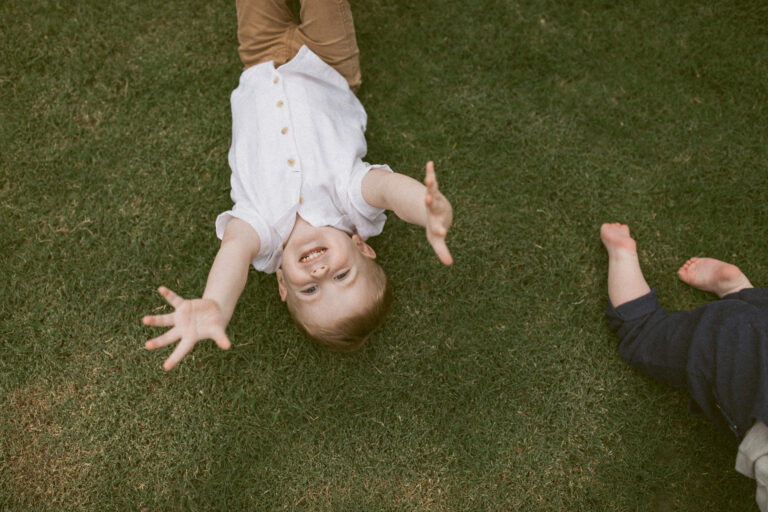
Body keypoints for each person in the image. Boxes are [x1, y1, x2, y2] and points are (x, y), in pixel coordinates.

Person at [141, 0, 454, 370]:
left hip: (259, 58)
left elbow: (233, 254)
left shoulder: (261, 232)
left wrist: (216, 304)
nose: (320, 274)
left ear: (283, 285)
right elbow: (388, 190)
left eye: (310, 290)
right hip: (328, 64)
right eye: (342, 275)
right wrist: (428, 209)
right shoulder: (351, 204)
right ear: (361, 247)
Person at [600, 222, 768, 511]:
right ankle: (623, 256)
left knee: (747, 331)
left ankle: (743, 294)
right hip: (738, 342)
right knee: (646, 333)